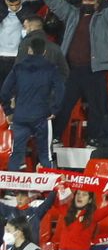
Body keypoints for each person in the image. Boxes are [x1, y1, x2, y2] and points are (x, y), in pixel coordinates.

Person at [0, 36, 65, 170]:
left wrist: (8, 111)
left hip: (20, 117)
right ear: (44, 52)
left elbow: (4, 91)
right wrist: (54, 110)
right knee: (44, 154)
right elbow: (60, 90)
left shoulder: (18, 68)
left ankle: (12, 190)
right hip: (41, 117)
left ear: (29, 50)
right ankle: (46, 189)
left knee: (16, 154)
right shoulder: (51, 68)